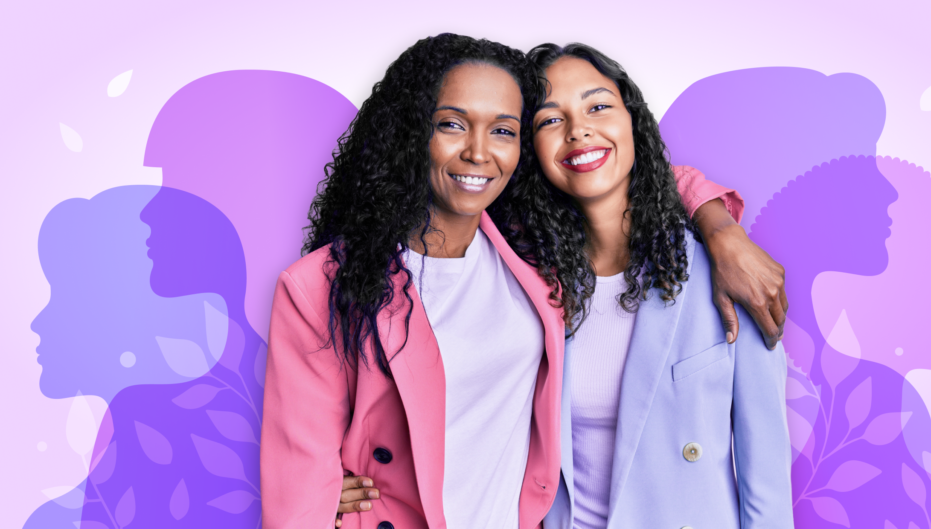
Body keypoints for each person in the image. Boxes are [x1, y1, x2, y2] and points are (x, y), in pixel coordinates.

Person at [264, 34, 785, 529]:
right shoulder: (326, 287)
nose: (478, 151)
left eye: (504, 130)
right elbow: (302, 472)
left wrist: (720, 228)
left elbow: (625, 173)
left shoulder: (712, 269)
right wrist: (311, 492)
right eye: (450, 123)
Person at [517, 43, 793, 529]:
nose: (578, 129)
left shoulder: (723, 269)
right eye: (548, 120)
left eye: (597, 106)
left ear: (633, 120)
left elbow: (766, 474)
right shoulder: (526, 276)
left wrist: (721, 229)